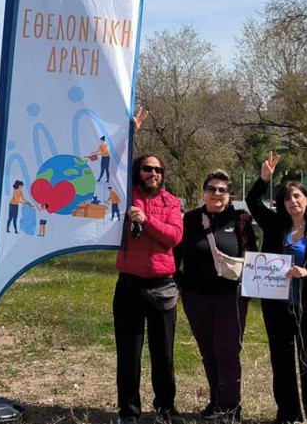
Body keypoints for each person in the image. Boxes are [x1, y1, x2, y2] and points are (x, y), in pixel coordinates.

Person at [246, 152, 307, 424]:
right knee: (282, 362)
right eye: (287, 198)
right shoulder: (275, 225)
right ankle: (288, 415)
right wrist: (264, 179)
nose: (293, 201)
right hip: (277, 306)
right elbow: (252, 201)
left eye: (297, 196)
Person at [174, 170, 257, 422]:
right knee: (208, 351)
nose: (217, 194)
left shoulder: (241, 220)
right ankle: (216, 401)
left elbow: (252, 255)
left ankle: (231, 408)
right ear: (204, 192)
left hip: (230, 299)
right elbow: (175, 256)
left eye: (222, 190)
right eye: (212, 189)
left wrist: (247, 291)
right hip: (196, 298)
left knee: (228, 351)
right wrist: (182, 285)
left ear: (229, 194)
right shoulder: (190, 219)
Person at [114, 154, 184, 424]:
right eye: (147, 168)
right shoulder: (124, 195)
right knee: (129, 354)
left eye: (158, 170)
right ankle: (128, 412)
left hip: (161, 287)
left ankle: (165, 408)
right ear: (137, 171)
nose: (153, 174)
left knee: (163, 353)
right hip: (129, 285)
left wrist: (146, 220)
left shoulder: (172, 202)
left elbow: (173, 236)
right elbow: (112, 170)